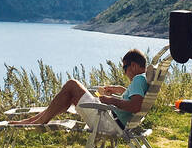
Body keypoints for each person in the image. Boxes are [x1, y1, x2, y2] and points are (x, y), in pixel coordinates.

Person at [10, 49, 149, 127]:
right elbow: (135, 101)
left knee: (72, 84)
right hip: (112, 118)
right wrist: (121, 90)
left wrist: (111, 100)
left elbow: (136, 106)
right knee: (70, 93)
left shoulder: (138, 79)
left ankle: (38, 120)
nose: (124, 72)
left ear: (134, 66)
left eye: (125, 67)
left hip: (109, 121)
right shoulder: (142, 80)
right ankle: (35, 120)